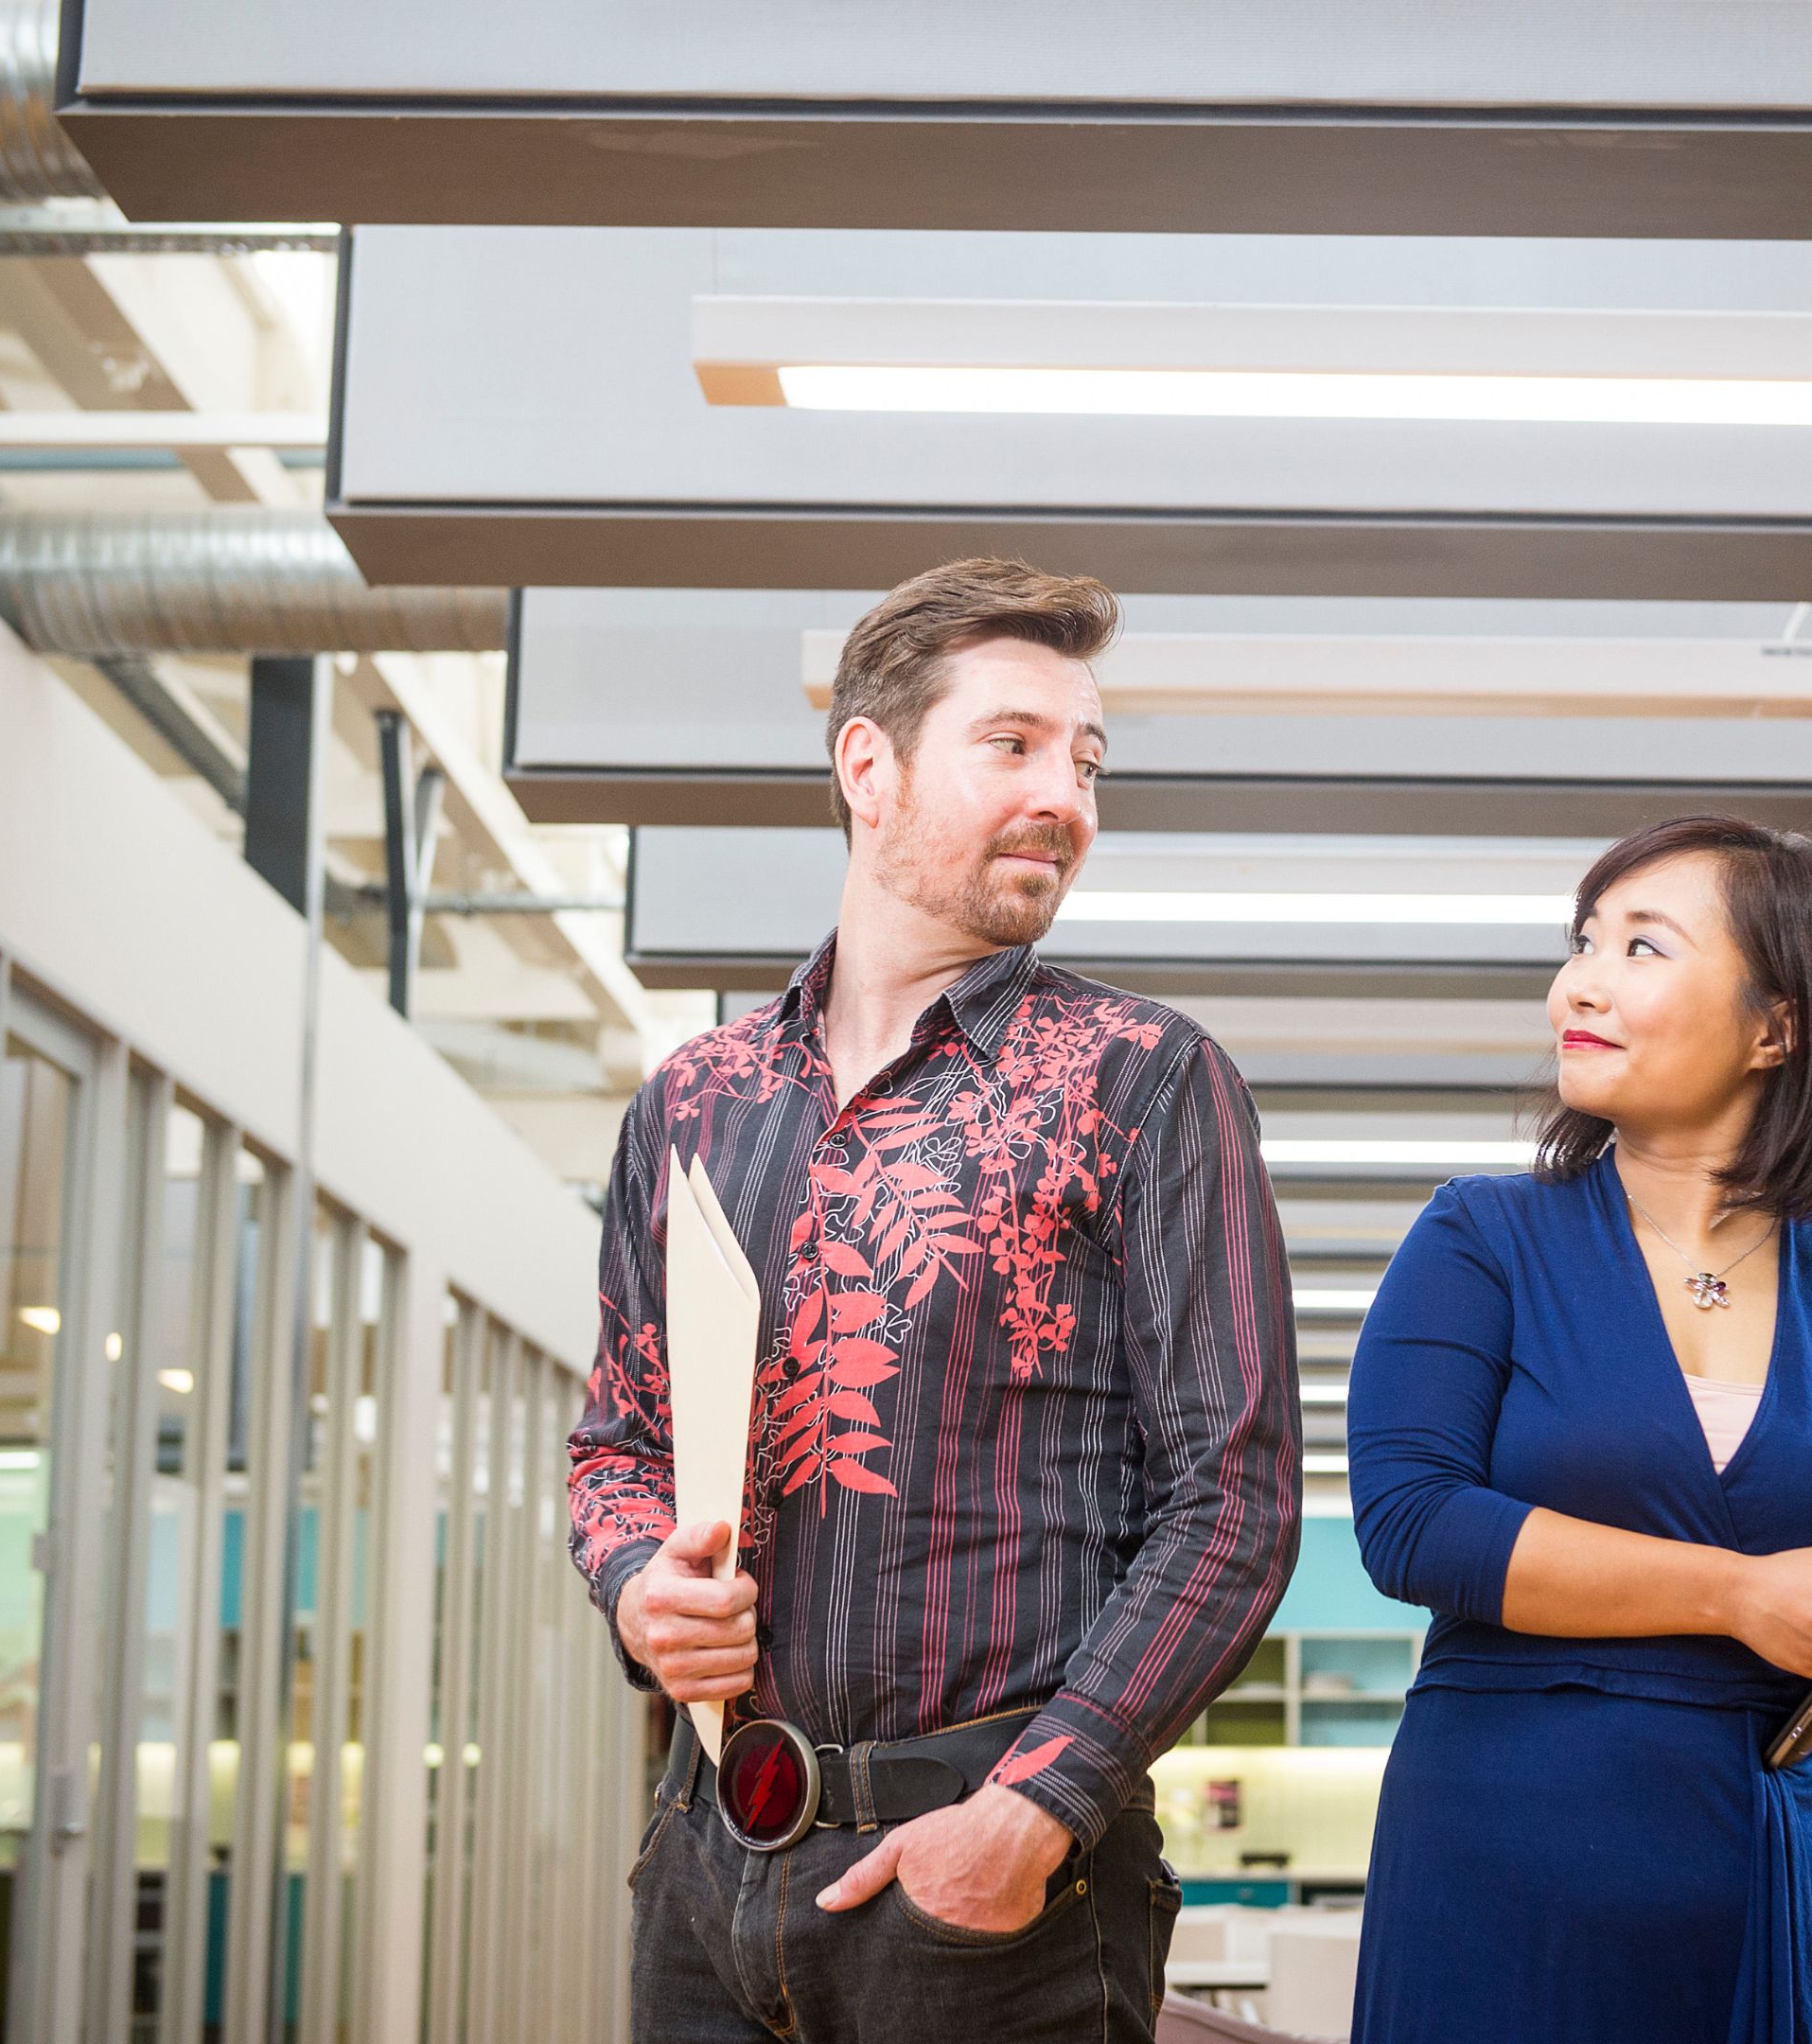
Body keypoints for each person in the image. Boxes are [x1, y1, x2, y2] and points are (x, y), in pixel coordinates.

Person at [568, 559, 1301, 2043]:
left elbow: (1234, 1503)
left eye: (1086, 762)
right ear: (867, 764)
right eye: (1014, 744)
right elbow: (614, 1449)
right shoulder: (693, 1102)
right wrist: (641, 1583)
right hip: (709, 1864)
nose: (1066, 797)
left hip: (990, 1891)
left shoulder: (1140, 1079)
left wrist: (1033, 1816)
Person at [1346, 816, 1812, 2044]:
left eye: (1641, 949)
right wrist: (1738, 1596)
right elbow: (1409, 1521)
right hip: (1511, 1850)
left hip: (1791, 1859)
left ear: (1777, 1024)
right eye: (1582, 943)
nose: (1577, 984)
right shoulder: (1480, 1239)